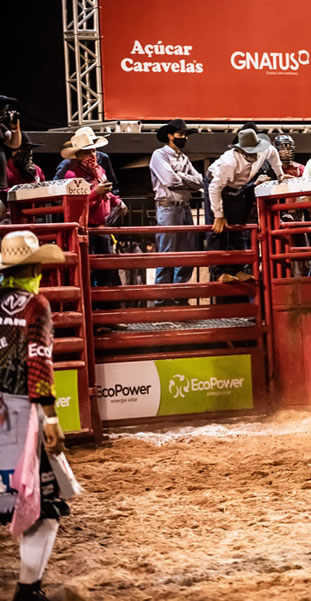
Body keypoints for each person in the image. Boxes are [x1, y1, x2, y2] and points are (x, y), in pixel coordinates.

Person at [0, 230, 78, 601]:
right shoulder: (36, 305)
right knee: (43, 506)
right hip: (21, 416)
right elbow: (38, 363)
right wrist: (51, 419)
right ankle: (28, 590)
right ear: (32, 267)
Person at [205, 128, 284, 283]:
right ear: (241, 151)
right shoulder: (229, 162)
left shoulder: (265, 151)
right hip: (217, 185)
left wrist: (280, 173)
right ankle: (218, 272)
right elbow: (215, 188)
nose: (254, 155)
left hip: (236, 187)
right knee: (217, 229)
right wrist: (219, 215)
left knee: (237, 227)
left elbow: (274, 154)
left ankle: (237, 269)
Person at [60, 129, 125, 294]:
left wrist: (116, 201)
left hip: (101, 228)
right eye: (88, 152)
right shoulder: (71, 175)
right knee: (87, 272)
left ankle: (105, 311)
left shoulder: (99, 171)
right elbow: (74, 203)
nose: (93, 155)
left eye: (94, 150)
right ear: (79, 155)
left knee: (107, 271)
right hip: (84, 229)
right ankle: (94, 311)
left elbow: (108, 192)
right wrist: (97, 192)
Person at [149, 119, 202, 299]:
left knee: (188, 253)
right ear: (170, 136)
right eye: (180, 134)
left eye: (185, 135)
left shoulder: (183, 158)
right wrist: (187, 181)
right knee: (167, 253)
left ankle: (179, 294)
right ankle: (162, 297)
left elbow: (200, 181)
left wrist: (180, 177)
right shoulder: (159, 155)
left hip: (182, 207)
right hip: (168, 208)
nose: (184, 138)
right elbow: (169, 181)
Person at [55, 127, 119, 197]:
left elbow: (112, 183)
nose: (91, 155)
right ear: (77, 154)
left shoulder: (101, 165)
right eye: (86, 152)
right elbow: (58, 187)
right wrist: (95, 192)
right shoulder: (68, 166)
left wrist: (114, 200)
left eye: (93, 150)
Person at [0, 95, 22, 192]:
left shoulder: (1, 127)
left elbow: (14, 145)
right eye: (3, 107)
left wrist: (15, 129)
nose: (5, 111)